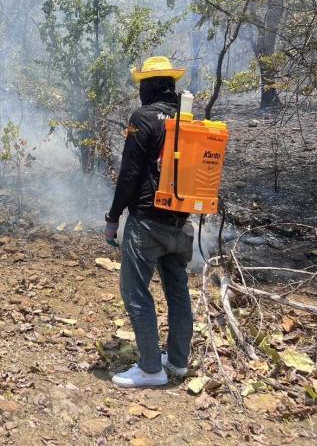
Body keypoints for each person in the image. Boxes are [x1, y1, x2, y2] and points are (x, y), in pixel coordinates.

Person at [104, 56, 194, 388]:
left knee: (135, 292)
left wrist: (113, 217)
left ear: (149, 86)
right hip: (181, 224)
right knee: (178, 291)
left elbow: (129, 174)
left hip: (147, 224)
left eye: (142, 84)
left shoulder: (143, 118)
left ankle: (150, 369)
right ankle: (178, 362)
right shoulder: (188, 120)